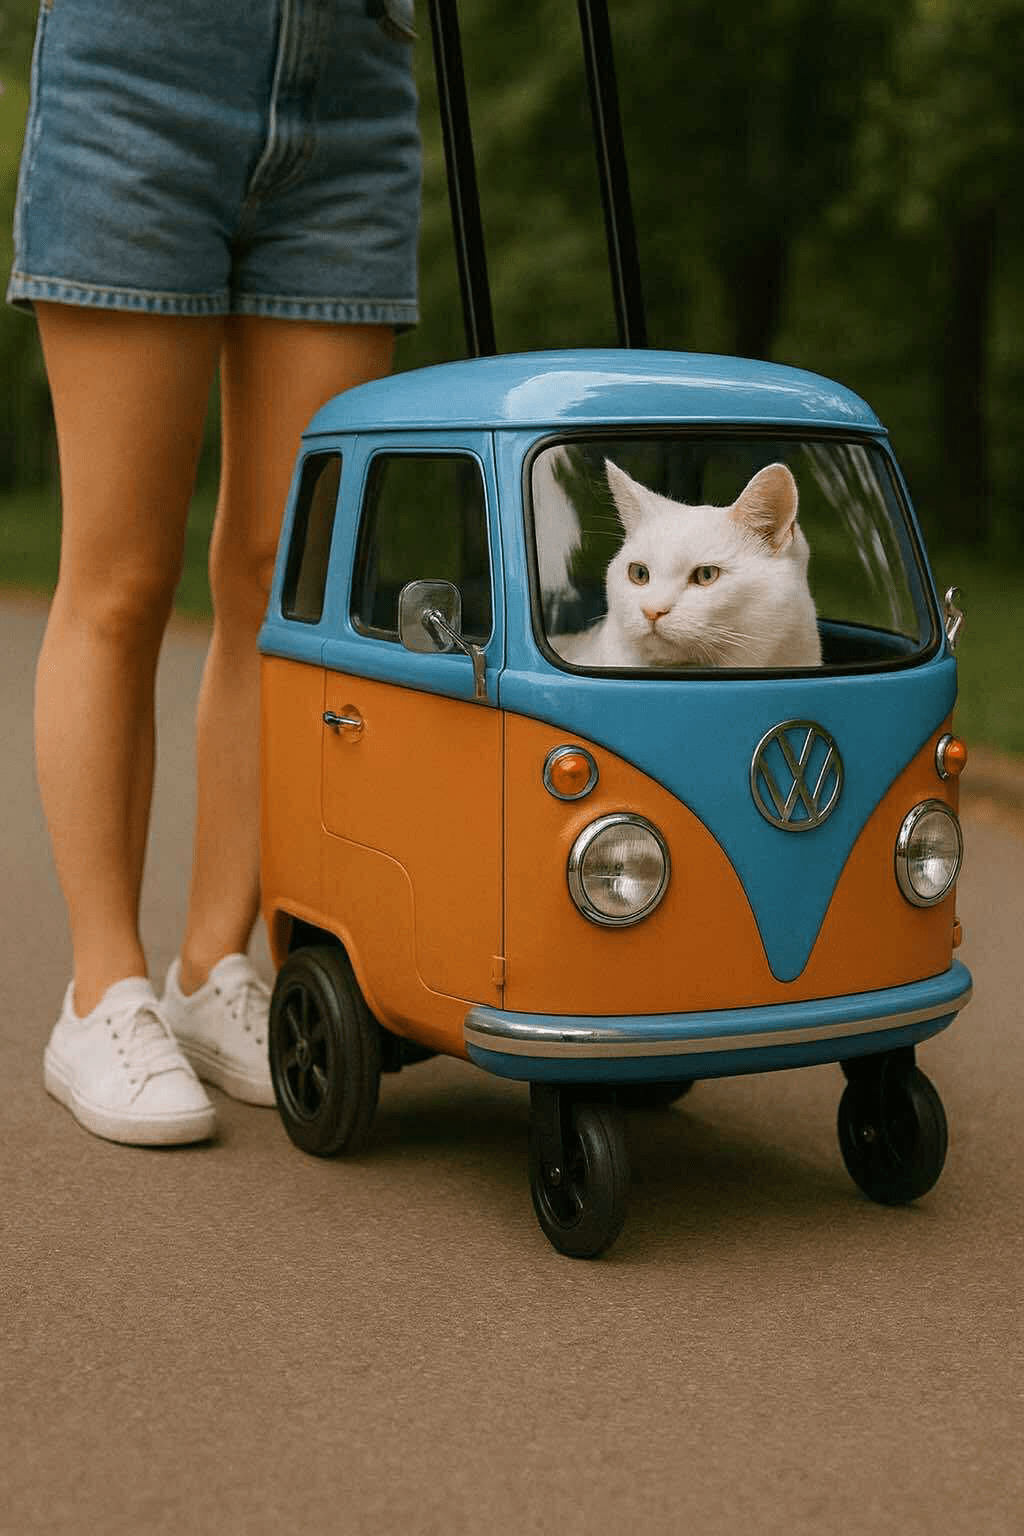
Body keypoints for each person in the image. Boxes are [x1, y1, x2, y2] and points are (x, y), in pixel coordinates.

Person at [6, 0, 422, 1145]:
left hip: (353, 89)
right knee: (122, 575)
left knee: (284, 581)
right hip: (137, 76)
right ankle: (101, 992)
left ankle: (209, 963)